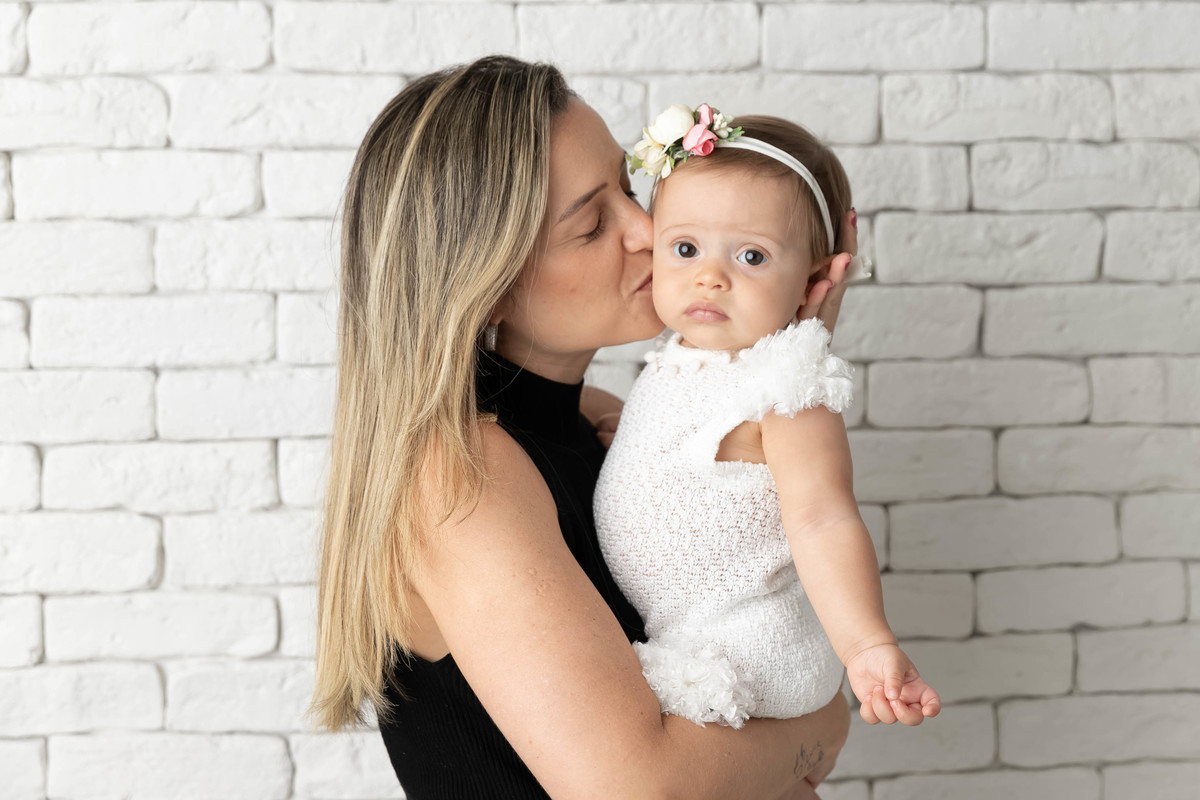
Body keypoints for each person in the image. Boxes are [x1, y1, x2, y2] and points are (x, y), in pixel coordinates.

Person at [308, 56, 863, 799]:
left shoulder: (606, 427)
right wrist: (822, 726)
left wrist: (783, 358)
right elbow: (639, 790)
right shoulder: (459, 472)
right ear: (488, 286)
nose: (646, 230)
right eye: (593, 223)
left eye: (630, 190)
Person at [594, 105, 940, 732]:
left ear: (812, 275)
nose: (709, 277)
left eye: (752, 256)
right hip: (686, 628)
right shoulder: (686, 359)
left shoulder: (786, 389)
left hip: (747, 646)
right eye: (685, 248)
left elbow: (824, 518)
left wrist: (865, 644)